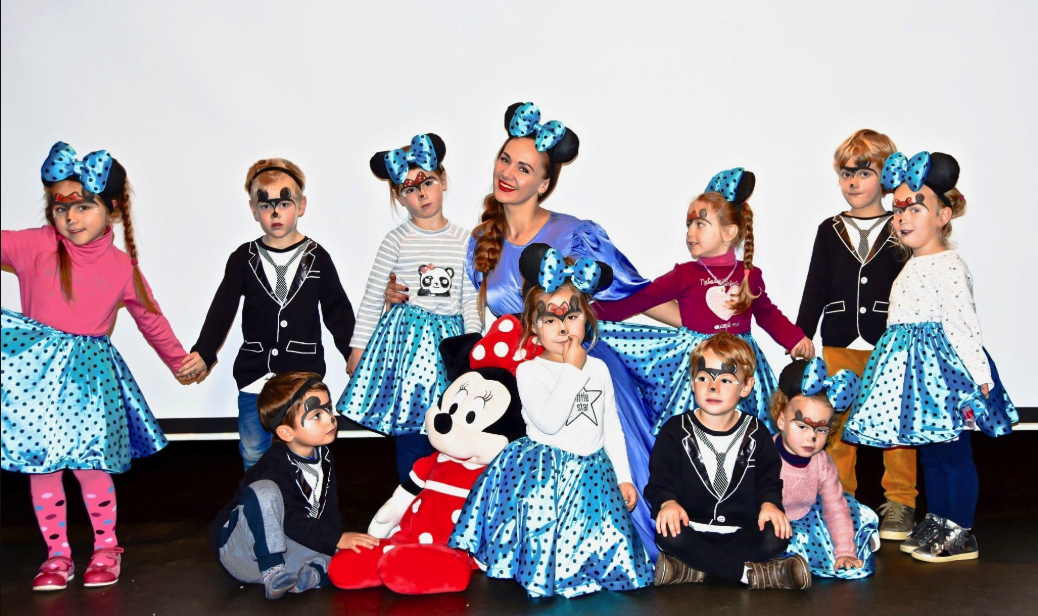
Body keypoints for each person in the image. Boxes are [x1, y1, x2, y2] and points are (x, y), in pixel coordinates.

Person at [2, 141, 196, 591]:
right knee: (42, 468)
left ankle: (106, 548)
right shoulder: (35, 245)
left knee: (91, 466)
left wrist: (178, 360)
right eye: (60, 208)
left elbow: (150, 318)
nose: (71, 218)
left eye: (83, 206)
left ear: (111, 209)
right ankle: (57, 555)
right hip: (36, 380)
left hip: (89, 381)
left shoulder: (120, 266)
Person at [448, 243, 653, 598]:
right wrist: (572, 371)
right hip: (546, 473)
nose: (562, 327)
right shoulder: (530, 371)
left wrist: (623, 476)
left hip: (593, 471)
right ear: (534, 326)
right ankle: (544, 574)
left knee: (596, 532)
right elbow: (549, 421)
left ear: (586, 319)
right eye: (550, 319)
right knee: (548, 533)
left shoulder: (599, 368)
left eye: (571, 317)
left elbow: (611, 427)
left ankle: (591, 572)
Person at [843, 151, 1018, 562]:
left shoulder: (948, 264)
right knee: (932, 452)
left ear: (943, 215)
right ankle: (938, 520)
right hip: (917, 380)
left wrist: (980, 377)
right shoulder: (912, 265)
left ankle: (960, 530)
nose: (903, 217)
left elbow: (963, 325)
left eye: (916, 208)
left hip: (946, 377)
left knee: (953, 454)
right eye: (898, 209)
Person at [180, 158, 355, 468]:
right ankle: (259, 495)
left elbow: (337, 309)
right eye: (266, 205)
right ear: (253, 210)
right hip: (255, 377)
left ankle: (307, 496)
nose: (275, 213)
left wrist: (354, 354)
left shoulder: (317, 257)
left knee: (307, 448)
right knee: (253, 450)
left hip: (303, 375)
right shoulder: (243, 258)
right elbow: (222, 308)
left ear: (301, 206)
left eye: (284, 203)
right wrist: (204, 352)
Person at [795, 128, 917, 541]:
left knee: (897, 426)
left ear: (884, 177)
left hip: (890, 343)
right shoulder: (829, 229)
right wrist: (801, 333)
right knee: (838, 425)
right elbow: (816, 284)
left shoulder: (902, 226)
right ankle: (839, 496)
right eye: (846, 173)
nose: (853, 182)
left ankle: (900, 501)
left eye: (864, 173)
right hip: (840, 341)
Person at [337, 134, 481, 481]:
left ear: (443, 181)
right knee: (410, 426)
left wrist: (474, 345)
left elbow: (470, 298)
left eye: (428, 182)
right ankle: (408, 495)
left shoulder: (465, 240)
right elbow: (373, 295)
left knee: (450, 423)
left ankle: (443, 497)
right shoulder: (396, 240)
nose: (421, 194)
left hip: (448, 345)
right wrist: (358, 348)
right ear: (400, 197)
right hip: (408, 347)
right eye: (410, 189)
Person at [647, 333, 809, 590]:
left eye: (725, 380)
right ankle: (750, 574)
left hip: (743, 532)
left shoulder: (757, 432)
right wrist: (668, 503)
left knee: (776, 535)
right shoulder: (675, 430)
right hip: (692, 529)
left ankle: (694, 569)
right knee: (669, 534)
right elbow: (660, 479)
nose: (713, 387)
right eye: (703, 378)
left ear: (746, 386)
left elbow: (769, 479)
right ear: (692, 382)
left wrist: (770, 505)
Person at [211, 372, 377, 599]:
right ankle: (273, 573)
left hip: (283, 544)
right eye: (317, 415)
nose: (330, 419)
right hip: (242, 551)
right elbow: (290, 519)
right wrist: (335, 539)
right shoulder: (273, 466)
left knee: (340, 555)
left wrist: (337, 539)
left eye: (328, 409)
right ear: (286, 432)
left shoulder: (323, 456)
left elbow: (328, 510)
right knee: (264, 491)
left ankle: (308, 577)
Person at [771, 358, 879, 579]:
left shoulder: (822, 462)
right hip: (768, 519)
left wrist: (845, 552)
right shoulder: (764, 453)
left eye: (821, 430)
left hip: (807, 517)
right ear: (781, 420)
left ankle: (861, 539)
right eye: (802, 426)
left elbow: (834, 507)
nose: (811, 437)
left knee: (844, 510)